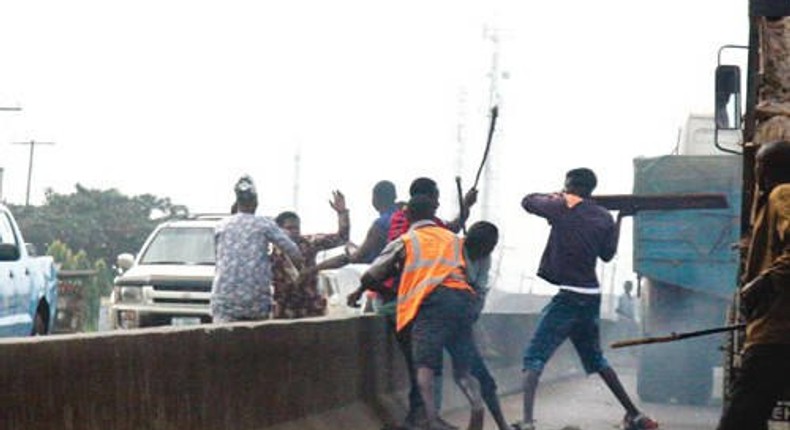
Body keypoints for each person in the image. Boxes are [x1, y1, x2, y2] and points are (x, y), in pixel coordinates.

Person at [514, 168, 657, 430]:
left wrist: (557, 196)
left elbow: (528, 201)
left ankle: (526, 422)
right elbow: (607, 255)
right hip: (591, 296)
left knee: (534, 358)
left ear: (569, 186)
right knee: (596, 360)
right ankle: (636, 415)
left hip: (569, 296)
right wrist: (621, 219)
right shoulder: (603, 216)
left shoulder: (562, 207)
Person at [346, 176, 477, 428]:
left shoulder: (408, 229)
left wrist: (361, 289)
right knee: (442, 365)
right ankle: (431, 417)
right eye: (436, 199)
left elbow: (375, 269)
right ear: (431, 203)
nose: (439, 203)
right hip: (435, 301)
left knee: (423, 365)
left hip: (416, 302)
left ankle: (425, 420)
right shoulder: (419, 229)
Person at [717, 140, 790, 430]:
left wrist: (763, 283)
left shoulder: (783, 194)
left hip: (777, 333)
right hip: (775, 330)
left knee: (741, 417)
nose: (756, 171)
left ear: (769, 168)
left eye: (758, 164)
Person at [211, 175, 304, 323]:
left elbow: (219, 259)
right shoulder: (264, 225)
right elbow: (293, 251)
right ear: (256, 202)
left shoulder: (221, 226)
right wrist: (300, 272)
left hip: (224, 300)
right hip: (255, 302)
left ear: (237, 202)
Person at [315, 180, 401, 312]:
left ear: (375, 200)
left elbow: (357, 257)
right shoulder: (405, 217)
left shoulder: (380, 224)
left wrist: (313, 269)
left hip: (389, 292)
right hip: (412, 288)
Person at [271, 190, 350, 319]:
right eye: (289, 228)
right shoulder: (270, 252)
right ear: (278, 230)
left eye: (296, 227)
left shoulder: (309, 243)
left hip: (311, 308)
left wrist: (342, 213)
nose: (294, 231)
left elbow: (342, 238)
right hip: (284, 312)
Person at [462, 221, 510, 430]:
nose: (488, 252)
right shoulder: (455, 251)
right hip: (442, 320)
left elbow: (479, 290)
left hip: (465, 321)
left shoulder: (484, 259)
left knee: (483, 380)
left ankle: (502, 425)